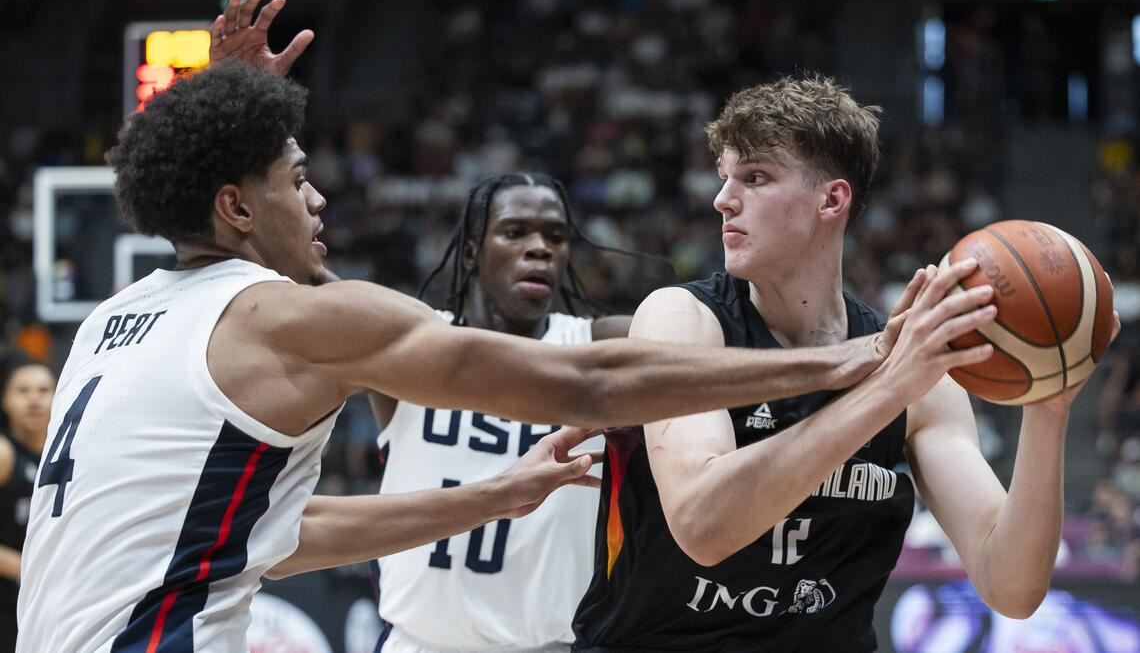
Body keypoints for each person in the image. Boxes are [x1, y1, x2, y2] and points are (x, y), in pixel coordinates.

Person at [15, 58, 990, 653]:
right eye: (295, 178)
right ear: (233, 204)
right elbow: (587, 381)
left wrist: (490, 494)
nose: (321, 202)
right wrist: (854, 361)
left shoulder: (117, 318)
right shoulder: (293, 320)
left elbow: (279, 535)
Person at [572, 74, 1121, 651]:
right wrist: (886, 387)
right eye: (725, 177)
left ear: (831, 199)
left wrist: (1049, 405)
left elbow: (1012, 587)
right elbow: (704, 526)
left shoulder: (921, 378)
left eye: (755, 178)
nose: (723, 199)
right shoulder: (682, 319)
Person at [369, 172, 632, 652]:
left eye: (556, 236)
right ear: (472, 251)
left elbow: (704, 334)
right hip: (421, 643)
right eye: (515, 232)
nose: (541, 248)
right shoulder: (411, 345)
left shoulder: (600, 348)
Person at [0, 361, 54, 653]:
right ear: (6, 400)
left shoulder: (66, 452)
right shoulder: (4, 453)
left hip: (45, 603)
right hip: (7, 603)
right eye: (23, 391)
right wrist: (28, 567)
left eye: (44, 390)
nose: (34, 399)